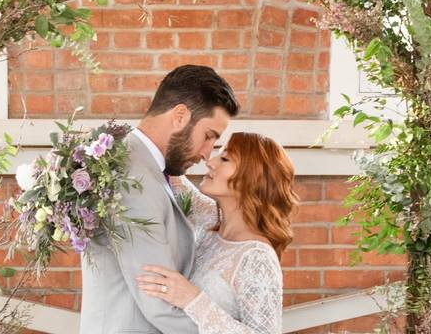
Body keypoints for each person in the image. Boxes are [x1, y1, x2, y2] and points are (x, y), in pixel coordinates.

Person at [79, 64, 239, 334]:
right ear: (179, 116)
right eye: (208, 136)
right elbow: (160, 304)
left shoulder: (142, 165)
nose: (206, 154)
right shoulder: (134, 179)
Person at [137, 132, 299, 334]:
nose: (210, 162)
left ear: (252, 176)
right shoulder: (210, 219)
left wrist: (192, 299)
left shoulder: (257, 257)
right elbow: (174, 178)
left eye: (225, 158)